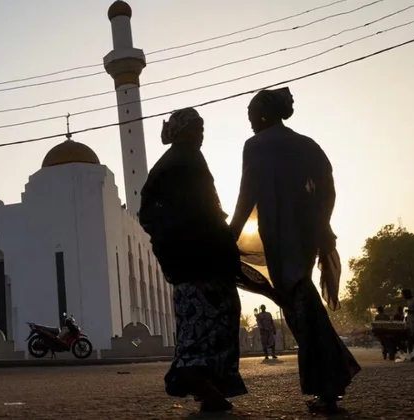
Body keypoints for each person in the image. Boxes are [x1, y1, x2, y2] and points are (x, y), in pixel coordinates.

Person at [229, 87, 361, 413]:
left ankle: (332, 377)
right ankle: (329, 381)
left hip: (278, 237)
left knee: (303, 310)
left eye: (251, 115)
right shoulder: (306, 145)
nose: (249, 122)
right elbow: (327, 190)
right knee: (304, 304)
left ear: (262, 115)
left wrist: (230, 234)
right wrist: (320, 225)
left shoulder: (256, 146)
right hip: (304, 239)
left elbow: (248, 194)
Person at [139, 108, 248, 412]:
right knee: (217, 316)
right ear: (183, 131)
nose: (201, 134)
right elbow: (206, 208)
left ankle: (206, 388)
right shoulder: (188, 159)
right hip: (205, 257)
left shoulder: (166, 164)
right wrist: (221, 240)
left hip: (182, 262)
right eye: (197, 128)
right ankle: (197, 376)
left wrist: (168, 243)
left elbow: (147, 215)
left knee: (194, 321)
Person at [403, 289, 414, 356]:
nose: (404, 296)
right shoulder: (408, 301)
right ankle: (411, 352)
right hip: (410, 322)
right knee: (410, 337)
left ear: (408, 294)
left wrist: (410, 311)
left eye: (404, 294)